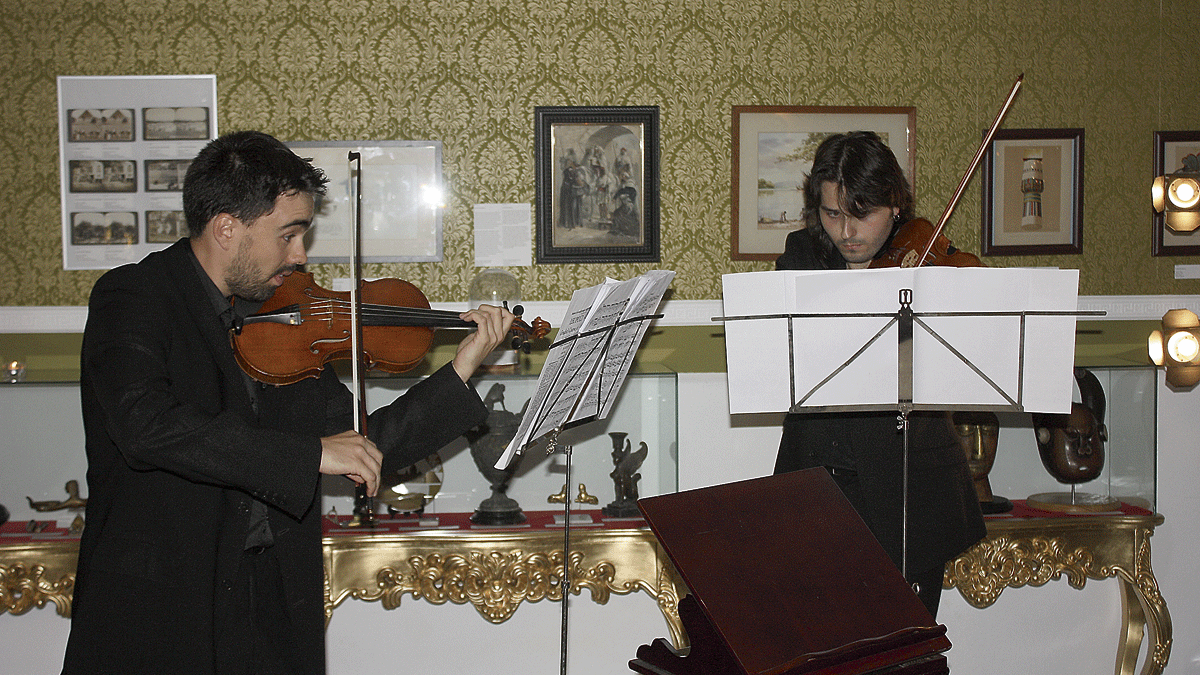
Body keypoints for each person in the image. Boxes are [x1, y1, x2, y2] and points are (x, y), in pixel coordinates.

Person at [62, 130, 516, 674]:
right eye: (289, 235)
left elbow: (363, 444)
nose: (300, 257)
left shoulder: (280, 325)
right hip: (159, 615)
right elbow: (146, 427)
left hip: (268, 608)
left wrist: (463, 367)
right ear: (227, 227)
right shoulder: (134, 296)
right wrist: (309, 456)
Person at [773, 131, 985, 619]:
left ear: (895, 204)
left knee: (905, 651)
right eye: (831, 213)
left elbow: (966, 367)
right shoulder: (802, 257)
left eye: (861, 213)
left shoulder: (932, 263)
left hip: (912, 488)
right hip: (819, 485)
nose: (846, 231)